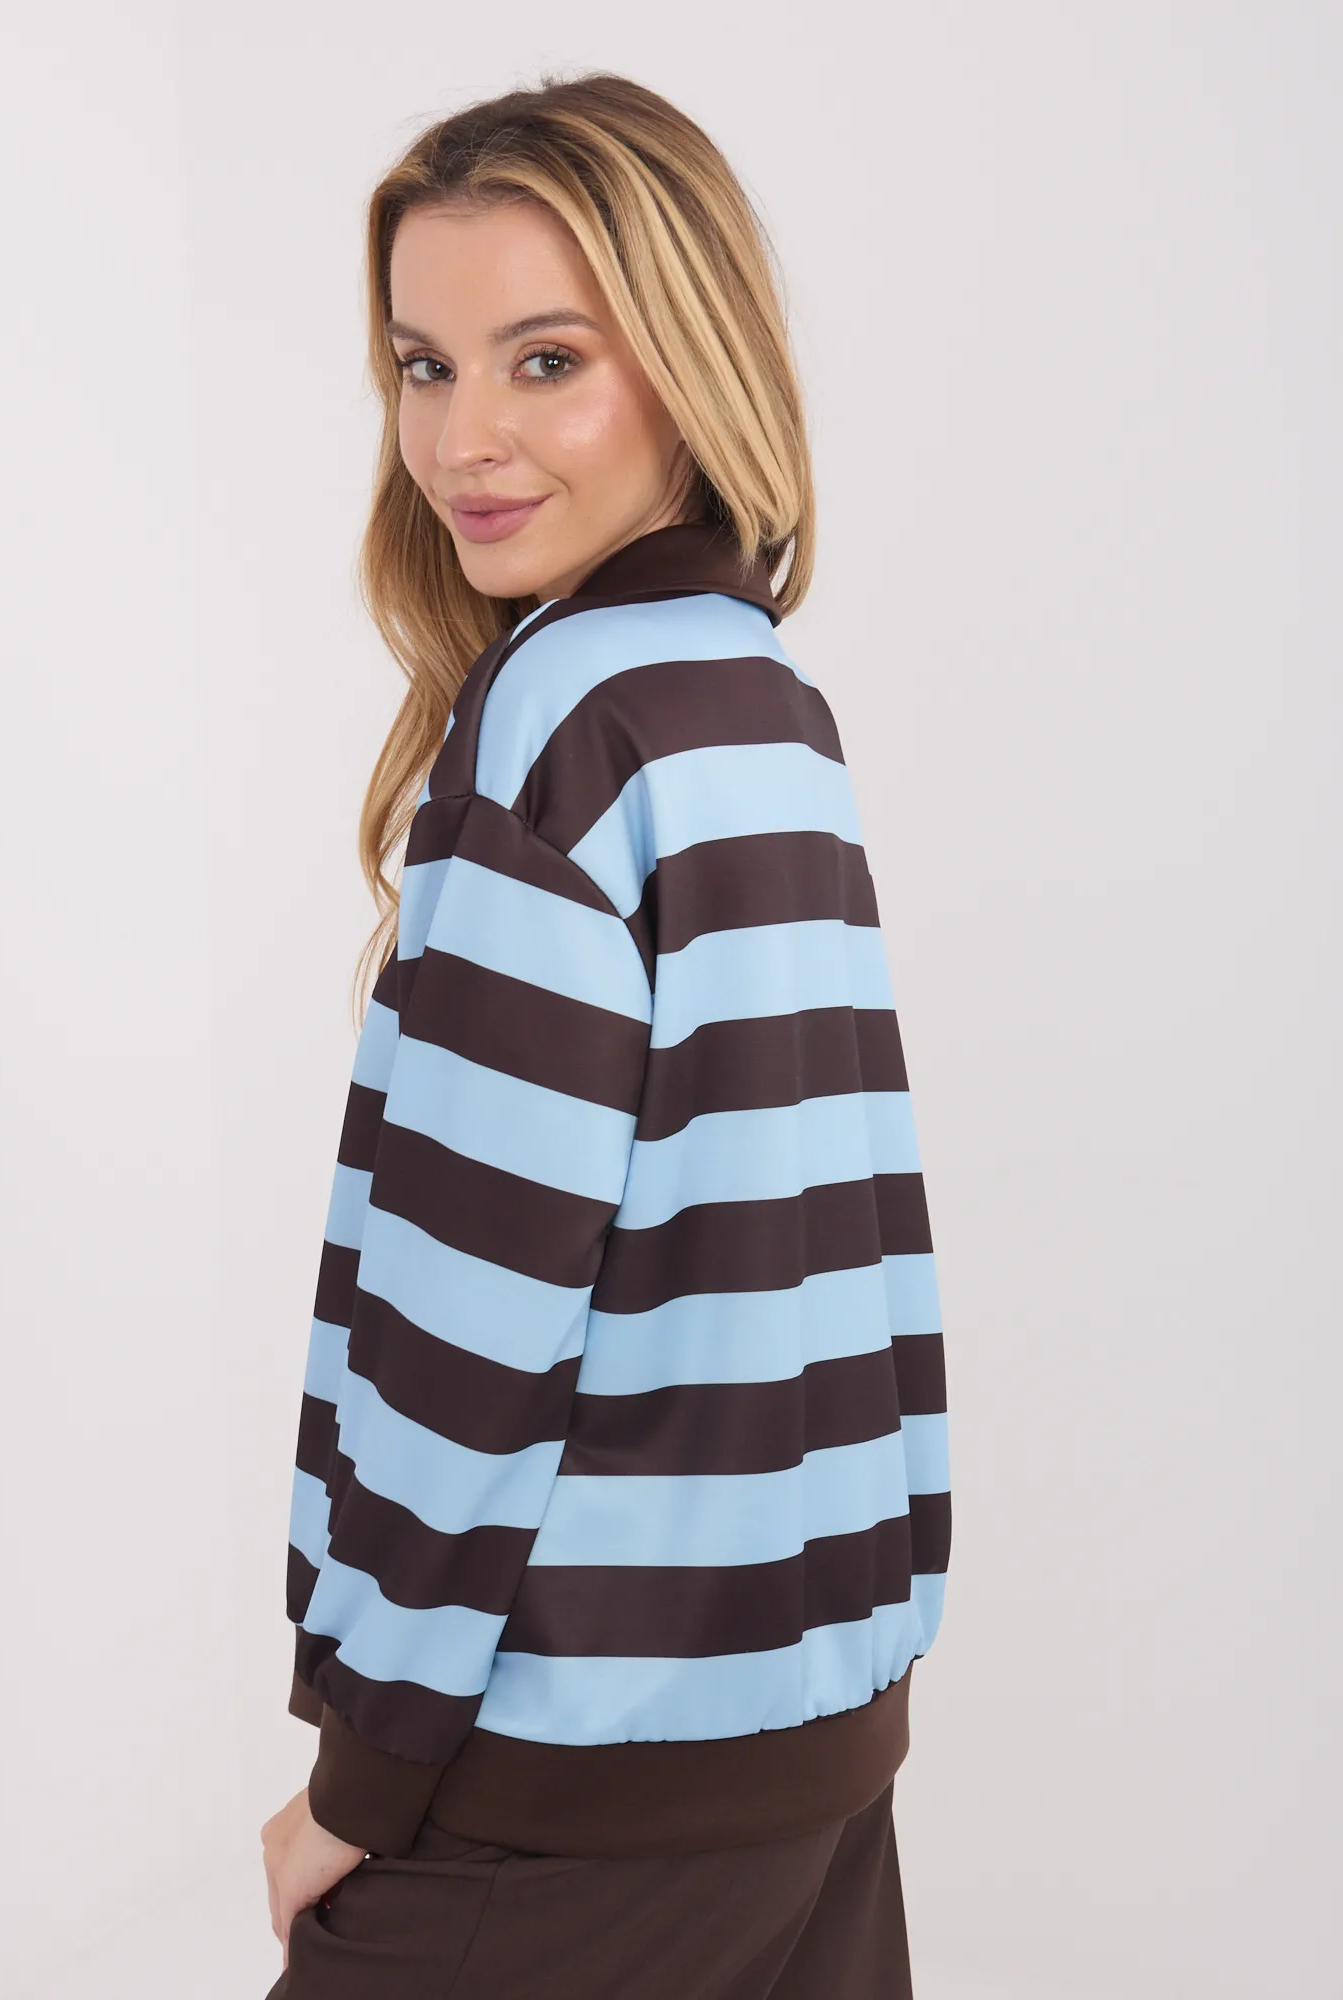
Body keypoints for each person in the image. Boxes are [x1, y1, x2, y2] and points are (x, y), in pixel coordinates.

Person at [260, 70, 950, 2000]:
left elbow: (475, 1315)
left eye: (544, 360)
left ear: (690, 359)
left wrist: (360, 1776)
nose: (460, 439)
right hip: (810, 1737)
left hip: (567, 1780)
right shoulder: (755, 696)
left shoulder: (562, 730)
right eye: (424, 365)